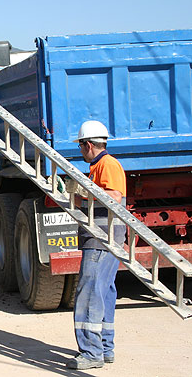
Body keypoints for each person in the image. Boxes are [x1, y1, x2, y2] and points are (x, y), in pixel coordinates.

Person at [66, 120, 126, 370]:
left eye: (81, 146)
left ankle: (92, 352)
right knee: (103, 291)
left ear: (88, 144)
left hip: (103, 237)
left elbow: (113, 196)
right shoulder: (97, 166)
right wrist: (80, 191)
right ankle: (104, 348)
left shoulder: (106, 164)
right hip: (104, 236)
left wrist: (83, 188)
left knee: (89, 292)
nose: (80, 151)